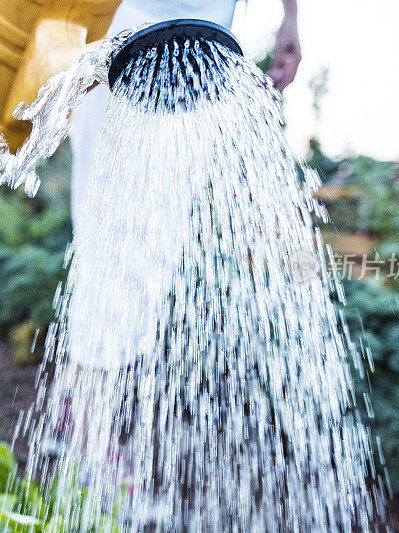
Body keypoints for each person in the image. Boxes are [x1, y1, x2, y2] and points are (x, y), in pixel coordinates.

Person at [66, 0, 302, 371]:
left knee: (159, 229)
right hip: (115, 25)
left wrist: (290, 15)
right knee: (102, 222)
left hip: (202, 47)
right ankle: (86, 392)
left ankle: (114, 380)